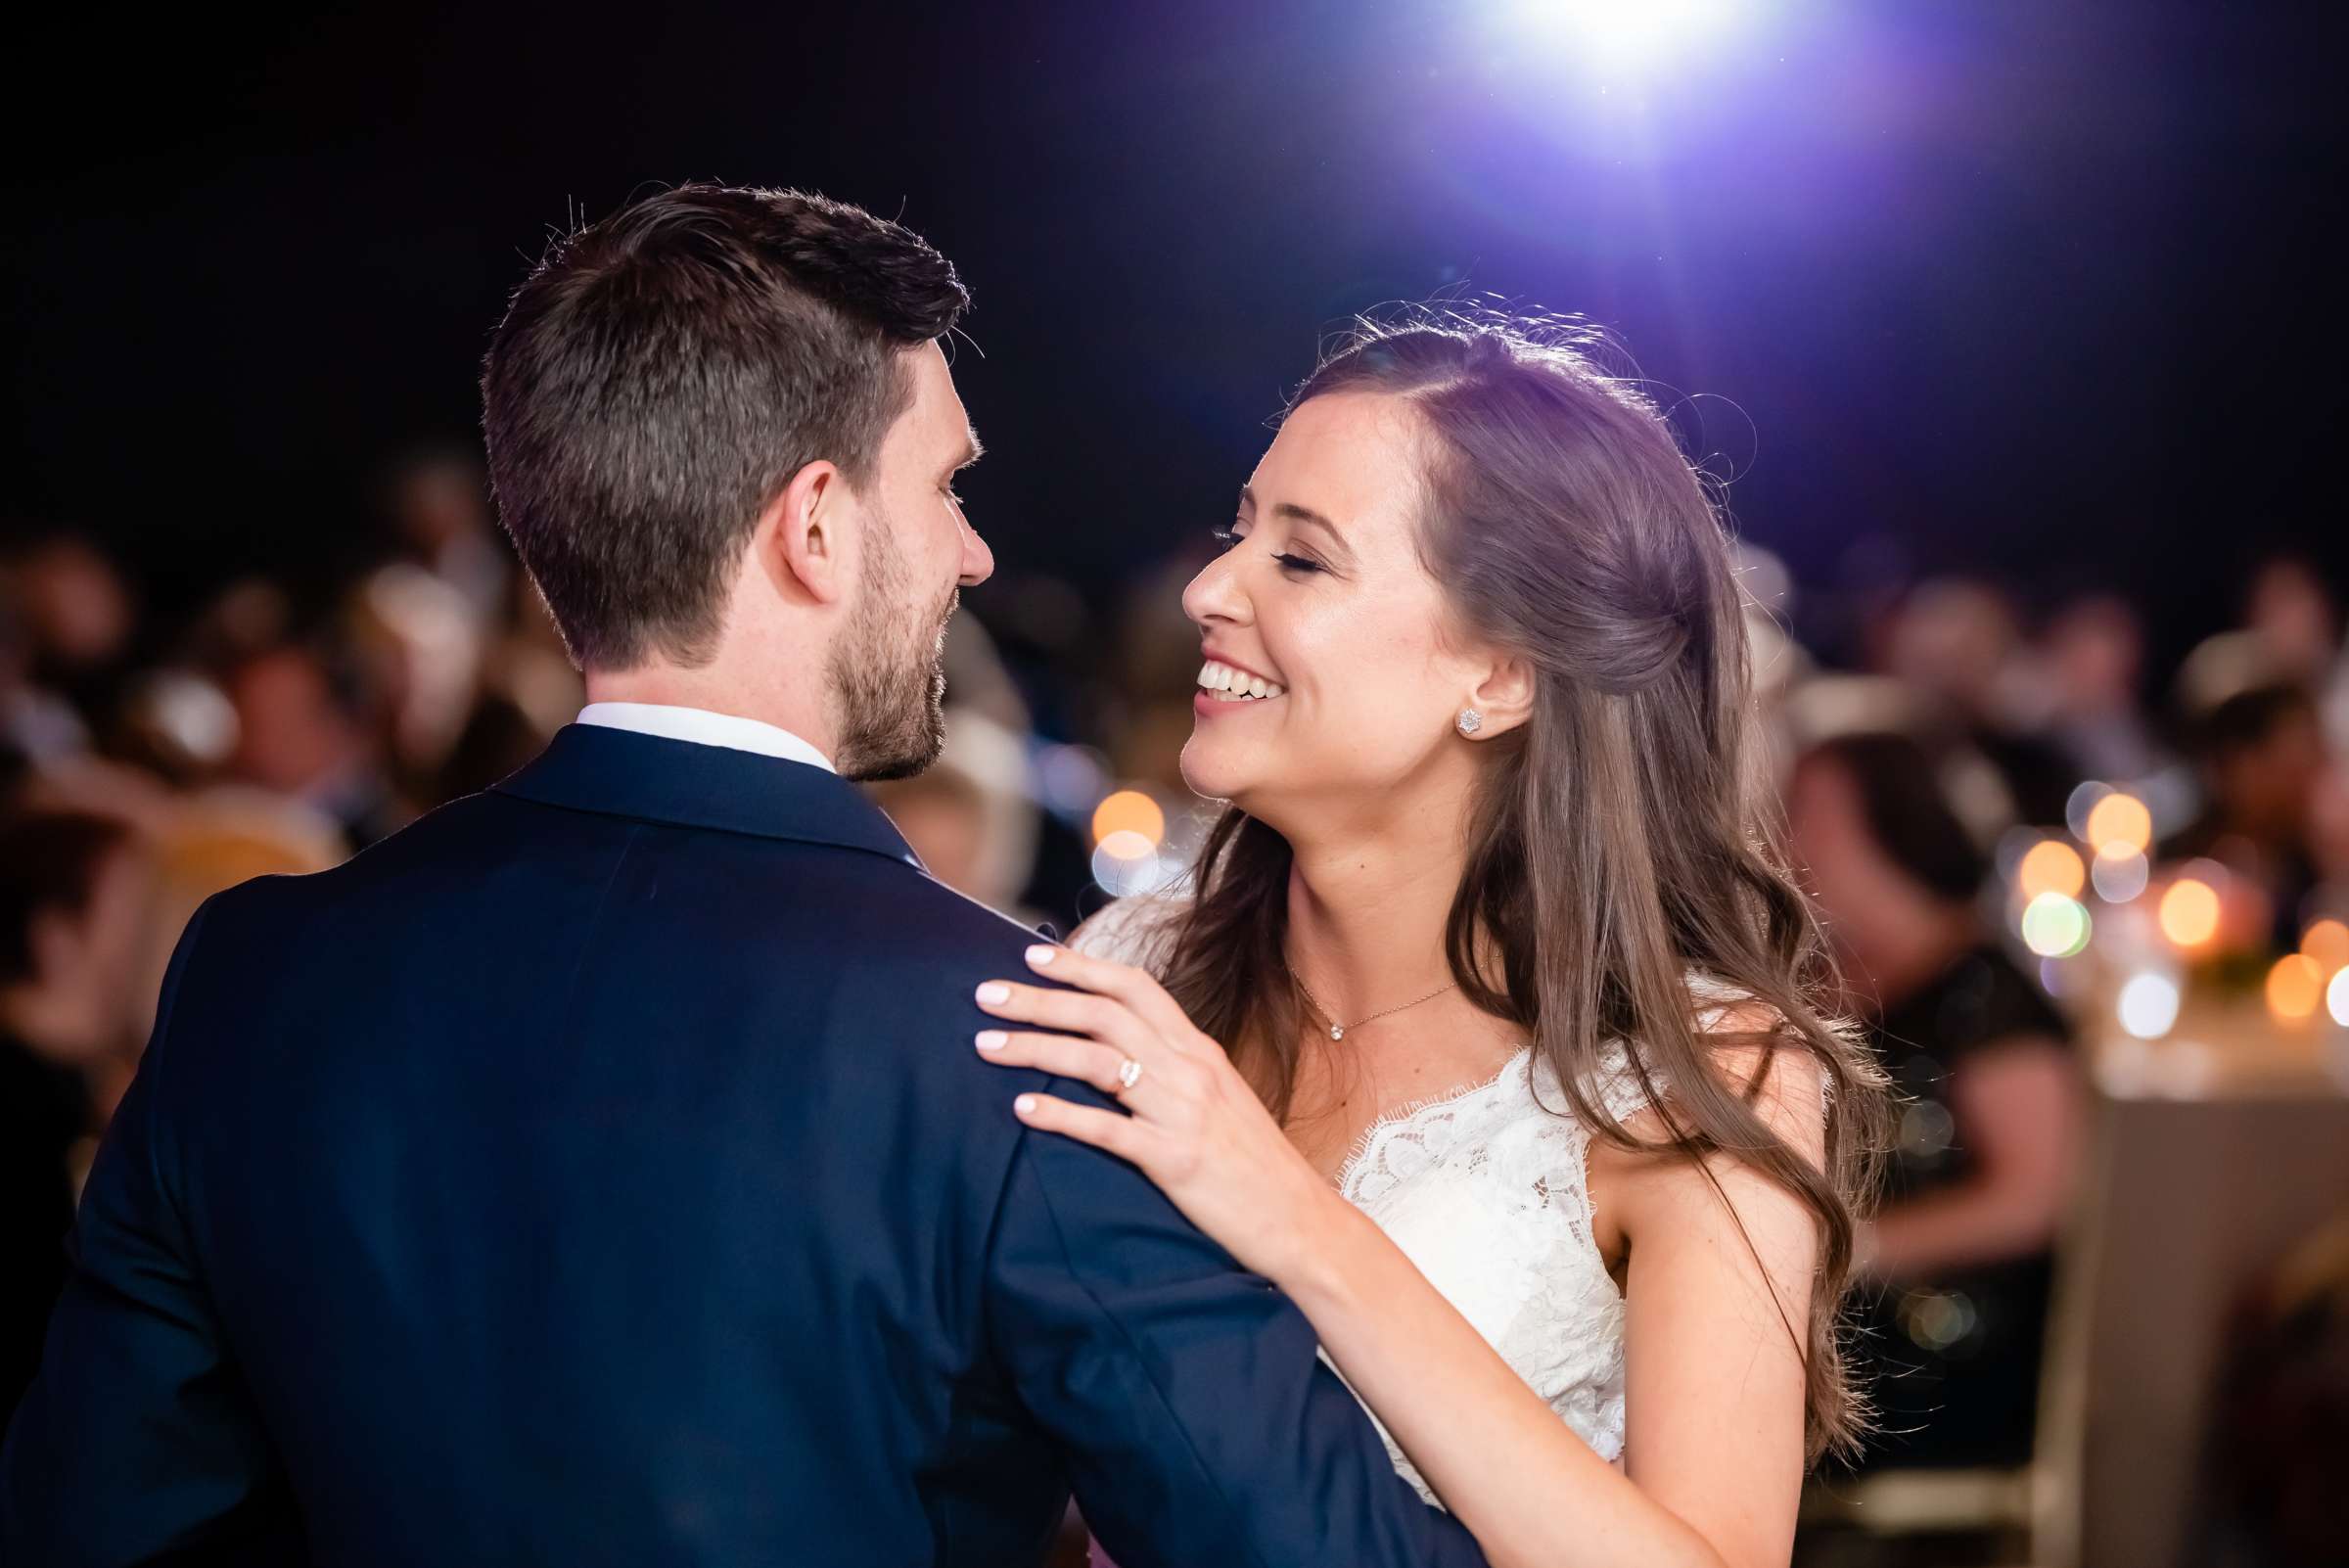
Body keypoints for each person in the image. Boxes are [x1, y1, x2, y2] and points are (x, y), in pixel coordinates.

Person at [0, 187, 1483, 1568]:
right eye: (948, 484)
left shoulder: (260, 963)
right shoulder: (1018, 1038)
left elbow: (98, 1524)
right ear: (817, 525)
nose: (971, 554)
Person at [971, 317, 1892, 1568]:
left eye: (1299, 560)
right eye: (1242, 528)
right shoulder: (1139, 970)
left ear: (1501, 676)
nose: (1209, 588)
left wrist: (1295, 1218)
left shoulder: (1703, 1075)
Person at [1785, 729, 2082, 1470]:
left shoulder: (1983, 995)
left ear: (1891, 827)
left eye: (1809, 814)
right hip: (1842, 1344)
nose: (1783, 839)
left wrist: (1846, 1256)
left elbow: (2037, 1198)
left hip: (1943, 1370)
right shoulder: (1835, 989)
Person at [0, 810, 153, 1421]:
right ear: (56, 939)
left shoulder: (80, 1099)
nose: (153, 940)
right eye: (132, 914)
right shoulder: (26, 1118)